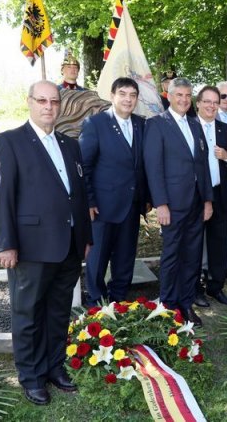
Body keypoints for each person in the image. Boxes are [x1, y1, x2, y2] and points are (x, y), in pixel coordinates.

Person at [0, 80, 92, 405]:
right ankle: (31, 377)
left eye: (54, 102)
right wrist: (6, 243)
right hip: (31, 246)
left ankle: (54, 367)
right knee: (29, 313)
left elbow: (79, 193)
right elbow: (1, 196)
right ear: (30, 102)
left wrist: (85, 236)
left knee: (59, 311)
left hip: (69, 245)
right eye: (42, 101)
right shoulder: (10, 142)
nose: (49, 107)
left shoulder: (70, 143)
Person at [143, 77, 213, 328]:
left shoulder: (195, 125)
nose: (184, 100)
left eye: (187, 95)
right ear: (169, 96)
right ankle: (168, 305)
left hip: (196, 203)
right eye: (179, 95)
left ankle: (185, 303)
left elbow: (202, 166)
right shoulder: (156, 125)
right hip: (171, 205)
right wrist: (160, 203)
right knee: (172, 255)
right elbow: (153, 167)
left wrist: (207, 200)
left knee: (192, 255)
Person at [79, 77, 150, 306]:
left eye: (132, 95)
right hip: (102, 205)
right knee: (98, 257)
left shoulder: (141, 124)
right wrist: (89, 201)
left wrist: (146, 197)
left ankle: (119, 299)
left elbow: (144, 165)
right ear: (112, 96)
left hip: (131, 204)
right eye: (123, 94)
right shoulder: (95, 124)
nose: (128, 99)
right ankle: (95, 301)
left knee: (125, 256)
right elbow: (84, 166)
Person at [194, 86, 227, 307]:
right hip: (194, 197)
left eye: (215, 102)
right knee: (194, 244)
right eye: (207, 101)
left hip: (219, 194)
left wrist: (225, 156)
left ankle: (216, 287)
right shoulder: (189, 127)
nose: (211, 106)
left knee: (218, 244)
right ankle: (195, 289)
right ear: (198, 103)